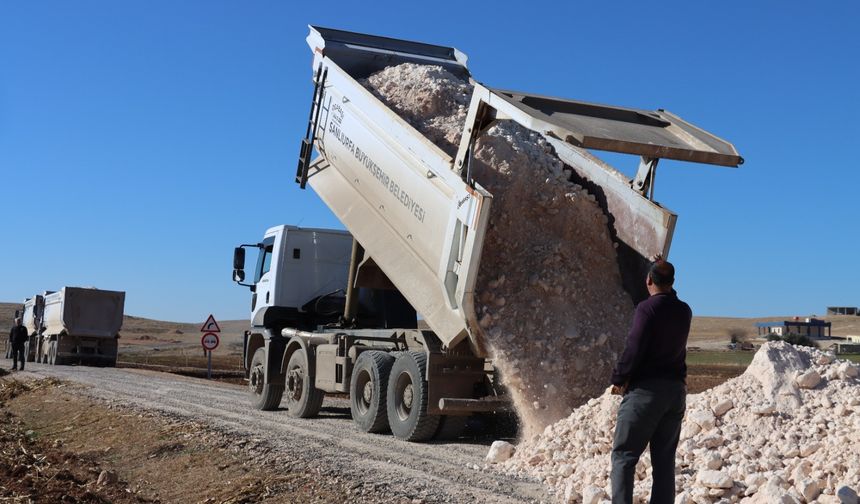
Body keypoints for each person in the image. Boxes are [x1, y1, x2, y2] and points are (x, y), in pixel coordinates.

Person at [609, 258, 691, 504]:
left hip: (646, 392)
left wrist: (619, 377)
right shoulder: (684, 310)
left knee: (624, 457)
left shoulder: (646, 309)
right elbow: (669, 298)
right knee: (664, 462)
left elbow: (634, 348)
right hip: (675, 393)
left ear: (648, 281)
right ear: (673, 283)